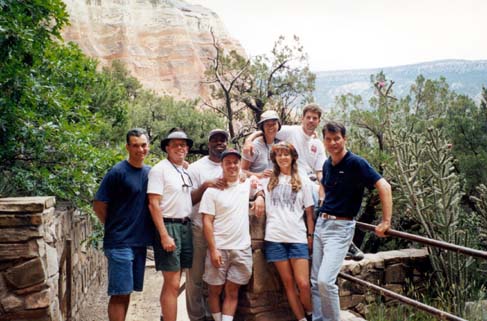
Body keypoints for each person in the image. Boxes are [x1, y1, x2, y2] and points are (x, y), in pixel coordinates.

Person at [311, 121, 392, 321]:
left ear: (344, 139)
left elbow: (384, 186)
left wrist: (386, 221)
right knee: (314, 281)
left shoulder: (356, 163)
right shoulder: (327, 163)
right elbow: (325, 186)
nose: (332, 143)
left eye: (336, 138)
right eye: (328, 139)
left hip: (340, 228)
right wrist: (322, 201)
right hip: (322, 224)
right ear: (324, 141)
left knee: (325, 281)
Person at [93, 128, 154, 321]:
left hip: (139, 243)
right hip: (119, 243)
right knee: (119, 293)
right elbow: (99, 204)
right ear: (128, 147)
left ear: (148, 147)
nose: (140, 149)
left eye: (143, 145)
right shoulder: (117, 172)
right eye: (135, 145)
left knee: (126, 292)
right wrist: (113, 227)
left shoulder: (150, 173)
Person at [199, 149, 265, 321]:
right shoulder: (212, 191)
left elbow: (259, 186)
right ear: (221, 165)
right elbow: (207, 222)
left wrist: (259, 197)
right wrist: (213, 250)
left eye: (235, 162)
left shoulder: (246, 184)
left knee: (232, 290)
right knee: (214, 290)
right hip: (219, 248)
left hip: (241, 249)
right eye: (228, 162)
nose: (232, 165)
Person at [262, 142, 314, 321]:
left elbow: (309, 212)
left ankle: (310, 314)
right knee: (289, 284)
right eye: (279, 154)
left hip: (297, 237)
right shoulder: (268, 179)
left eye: (286, 154)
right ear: (274, 159)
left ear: (293, 157)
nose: (283, 157)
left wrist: (310, 236)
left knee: (303, 283)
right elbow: (245, 179)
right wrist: (260, 197)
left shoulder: (302, 179)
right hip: (274, 238)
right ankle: (301, 319)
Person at [147, 129, 194, 321]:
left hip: (185, 227)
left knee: (176, 279)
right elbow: (153, 203)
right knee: (172, 282)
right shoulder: (159, 170)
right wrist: (164, 235)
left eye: (183, 145)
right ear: (167, 147)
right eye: (175, 145)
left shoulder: (183, 169)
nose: (180, 148)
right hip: (169, 226)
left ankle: (164, 316)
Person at [186, 129, 230, 321]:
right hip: (199, 228)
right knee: (195, 277)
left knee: (219, 278)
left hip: (224, 231)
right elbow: (187, 200)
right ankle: (196, 317)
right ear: (209, 143)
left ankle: (216, 316)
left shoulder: (230, 165)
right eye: (215, 140)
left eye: (223, 140)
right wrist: (205, 186)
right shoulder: (196, 169)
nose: (219, 143)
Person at [241, 110, 281, 178]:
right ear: (263, 127)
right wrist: (260, 175)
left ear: (278, 125)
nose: (271, 127)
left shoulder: (281, 142)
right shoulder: (254, 146)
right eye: (267, 124)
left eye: (274, 124)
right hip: (257, 184)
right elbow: (242, 170)